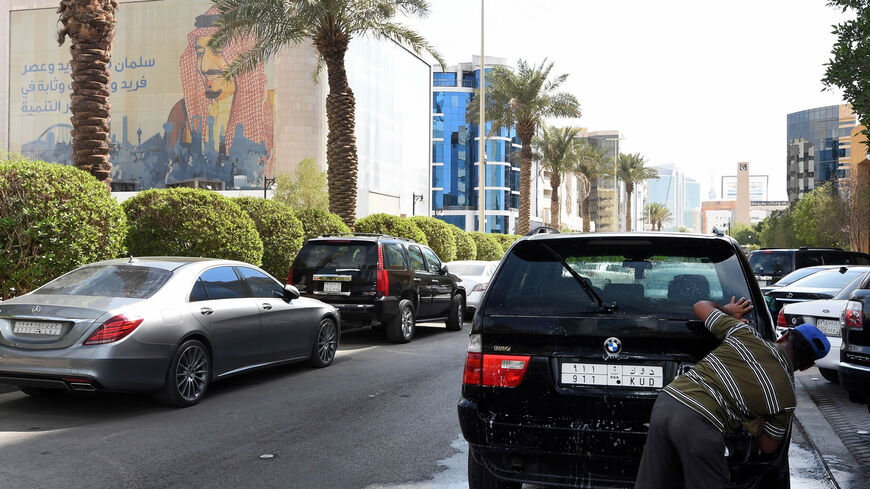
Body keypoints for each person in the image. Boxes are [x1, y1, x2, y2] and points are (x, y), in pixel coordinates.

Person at [634, 297, 831, 489]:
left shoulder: (743, 332)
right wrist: (753, 416)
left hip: (667, 401)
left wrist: (726, 310)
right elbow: (768, 446)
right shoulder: (786, 398)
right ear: (807, 367)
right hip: (701, 424)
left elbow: (700, 306)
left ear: (784, 336)